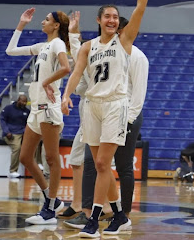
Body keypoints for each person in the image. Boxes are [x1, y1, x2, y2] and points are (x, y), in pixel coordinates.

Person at [61, 0, 158, 238]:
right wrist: (66, 95)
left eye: (116, 17)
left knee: (103, 163)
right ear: (100, 20)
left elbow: (140, 6)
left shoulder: (125, 41)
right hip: (92, 105)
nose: (113, 20)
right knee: (100, 164)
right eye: (108, 16)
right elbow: (77, 74)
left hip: (116, 105)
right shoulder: (88, 47)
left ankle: (93, 220)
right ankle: (119, 215)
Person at [66, 15, 149, 230]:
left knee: (123, 167)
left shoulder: (138, 57)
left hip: (125, 114)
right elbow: (81, 65)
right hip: (99, 111)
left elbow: (138, 94)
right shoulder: (101, 49)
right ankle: (94, 212)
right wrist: (74, 36)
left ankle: (124, 214)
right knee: (95, 163)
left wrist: (128, 120)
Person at [6, 8, 71, 225]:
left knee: (51, 159)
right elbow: (11, 50)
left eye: (46, 20)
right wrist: (21, 24)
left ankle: (50, 211)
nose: (42, 22)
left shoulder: (58, 44)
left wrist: (45, 83)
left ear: (55, 26)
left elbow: (66, 68)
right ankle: (52, 200)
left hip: (49, 107)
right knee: (25, 158)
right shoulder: (42, 46)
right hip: (36, 109)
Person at [58, 11, 89, 219]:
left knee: (99, 164)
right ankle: (78, 203)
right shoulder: (81, 63)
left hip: (97, 113)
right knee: (77, 159)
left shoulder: (88, 59)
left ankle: (100, 208)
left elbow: (78, 54)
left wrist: (74, 33)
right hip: (86, 115)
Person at [0, 94, 30, 178]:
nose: (24, 103)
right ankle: (12, 171)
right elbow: (2, 120)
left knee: (36, 144)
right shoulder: (8, 108)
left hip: (23, 133)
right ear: (18, 100)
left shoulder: (27, 111)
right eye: (22, 101)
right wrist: (7, 131)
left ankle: (37, 165)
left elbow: (28, 123)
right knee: (17, 148)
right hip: (11, 134)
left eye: (25, 102)